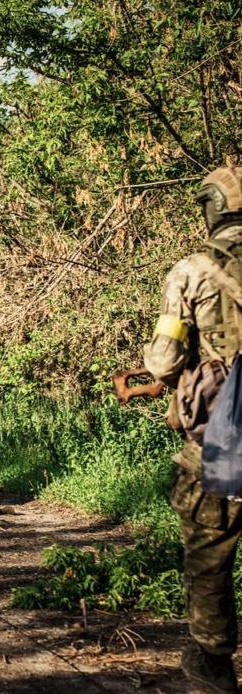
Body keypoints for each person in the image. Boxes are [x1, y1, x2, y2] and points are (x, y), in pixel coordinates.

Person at [144, 165, 242, 693]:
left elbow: (164, 360)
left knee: (209, 548)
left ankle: (212, 663)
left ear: (211, 207)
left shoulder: (195, 270)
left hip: (227, 432)